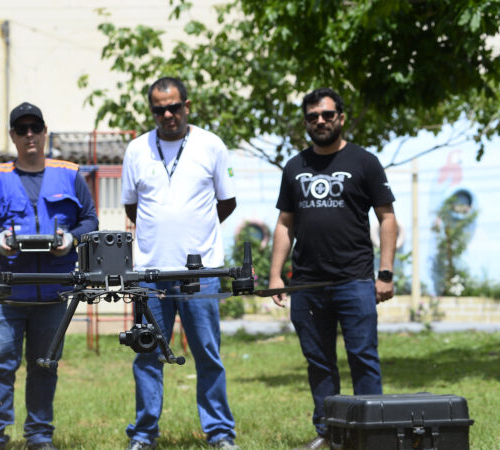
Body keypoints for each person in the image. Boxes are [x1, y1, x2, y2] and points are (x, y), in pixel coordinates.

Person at [268, 87, 397, 450]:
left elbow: (387, 219)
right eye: (313, 117)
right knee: (319, 362)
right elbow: (284, 224)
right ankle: (329, 433)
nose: (320, 121)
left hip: (354, 280)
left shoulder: (364, 162)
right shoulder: (295, 167)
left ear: (340, 117)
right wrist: (276, 275)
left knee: (363, 358)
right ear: (306, 122)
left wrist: (385, 273)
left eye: (327, 115)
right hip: (306, 284)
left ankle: (373, 434)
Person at [0, 102, 98, 450]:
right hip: (8, 291)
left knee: (45, 365)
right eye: (21, 130)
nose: (29, 136)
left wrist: (71, 240)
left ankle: (39, 435)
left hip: (54, 293)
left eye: (34, 129)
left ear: (44, 132)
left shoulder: (69, 174)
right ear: (12, 135)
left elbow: (90, 220)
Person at [121, 77, 239, 450]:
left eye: (174, 107)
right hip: (150, 273)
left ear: (188, 105)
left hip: (200, 274)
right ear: (152, 111)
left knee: (207, 353)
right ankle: (144, 435)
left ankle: (219, 432)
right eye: (159, 109)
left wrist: (195, 231)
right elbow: (131, 207)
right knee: (147, 355)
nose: (168, 115)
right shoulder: (137, 149)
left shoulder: (211, 145)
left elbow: (227, 201)